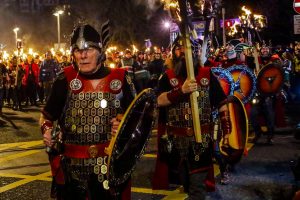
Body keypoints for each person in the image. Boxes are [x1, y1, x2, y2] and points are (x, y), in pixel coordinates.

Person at [40, 24, 136, 200]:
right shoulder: (64, 79)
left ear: (100, 51)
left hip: (109, 169)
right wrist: (46, 130)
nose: (83, 55)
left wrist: (124, 125)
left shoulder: (121, 79)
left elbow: (139, 121)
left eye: (89, 49)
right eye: (77, 50)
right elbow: (46, 117)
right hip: (71, 172)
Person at [152, 39, 232, 199]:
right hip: (176, 142)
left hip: (201, 140)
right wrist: (181, 91)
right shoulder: (167, 77)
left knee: (197, 187)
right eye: (179, 49)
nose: (183, 53)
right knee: (186, 183)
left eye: (187, 49)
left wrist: (227, 133)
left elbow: (222, 103)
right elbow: (158, 101)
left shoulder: (207, 75)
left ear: (195, 53)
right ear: (174, 52)